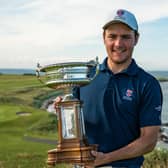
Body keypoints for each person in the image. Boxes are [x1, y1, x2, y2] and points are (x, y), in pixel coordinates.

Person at [55, 9, 163, 168]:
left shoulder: (147, 84)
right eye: (112, 36)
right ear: (103, 38)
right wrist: (63, 112)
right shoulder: (85, 77)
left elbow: (148, 141)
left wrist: (106, 158)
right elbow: (74, 125)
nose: (118, 44)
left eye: (125, 37)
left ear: (136, 39)